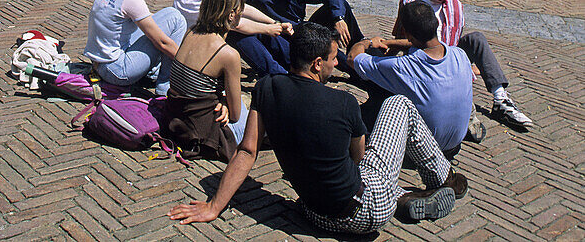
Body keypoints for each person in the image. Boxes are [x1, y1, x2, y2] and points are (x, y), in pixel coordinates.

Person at [168, 21, 467, 232]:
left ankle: (401, 197)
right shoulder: (344, 103)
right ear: (316, 63)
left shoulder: (266, 86)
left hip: (315, 213)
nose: (336, 65)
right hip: (364, 212)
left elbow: (247, 152)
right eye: (334, 60)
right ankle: (442, 179)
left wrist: (213, 206)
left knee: (351, 170)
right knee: (397, 104)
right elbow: (359, 161)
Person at [393, 0, 533, 134]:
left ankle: (501, 99)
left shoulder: (455, 6)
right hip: (423, 58)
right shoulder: (410, 2)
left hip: (449, 56)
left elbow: (454, 39)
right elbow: (401, 39)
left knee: (477, 39)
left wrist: (462, 64)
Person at [348, 1, 472, 155]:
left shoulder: (403, 67)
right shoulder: (459, 54)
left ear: (407, 34)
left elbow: (353, 58)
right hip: (454, 146)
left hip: (424, 152)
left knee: (379, 71)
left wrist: (366, 43)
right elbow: (421, 46)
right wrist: (391, 43)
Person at [85, 0, 186, 97]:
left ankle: (153, 71)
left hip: (100, 64)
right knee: (176, 19)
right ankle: (166, 86)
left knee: (168, 18)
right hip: (118, 70)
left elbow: (148, 20)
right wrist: (190, 65)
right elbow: (162, 43)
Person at [164, 0, 249, 159]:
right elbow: (235, 114)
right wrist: (226, 103)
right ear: (232, 14)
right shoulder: (228, 54)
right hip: (203, 132)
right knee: (258, 113)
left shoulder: (191, 31)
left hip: (176, 119)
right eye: (240, 10)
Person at [243, 0, 363, 72]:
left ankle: (359, 50)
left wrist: (339, 19)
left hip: (306, 29)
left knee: (342, 5)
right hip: (289, 40)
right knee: (324, 46)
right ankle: (355, 68)